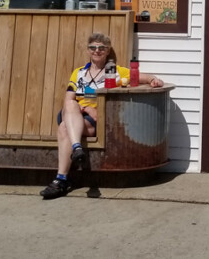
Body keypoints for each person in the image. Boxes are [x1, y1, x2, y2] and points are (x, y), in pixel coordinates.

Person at [40, 32, 164, 199]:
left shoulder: (115, 71)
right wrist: (86, 108)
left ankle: (60, 180)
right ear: (88, 50)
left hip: (93, 121)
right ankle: (77, 148)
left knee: (63, 128)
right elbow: (68, 100)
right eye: (93, 47)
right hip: (74, 113)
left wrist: (153, 79)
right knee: (70, 104)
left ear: (107, 51)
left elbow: (143, 77)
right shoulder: (79, 73)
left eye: (101, 48)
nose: (97, 51)